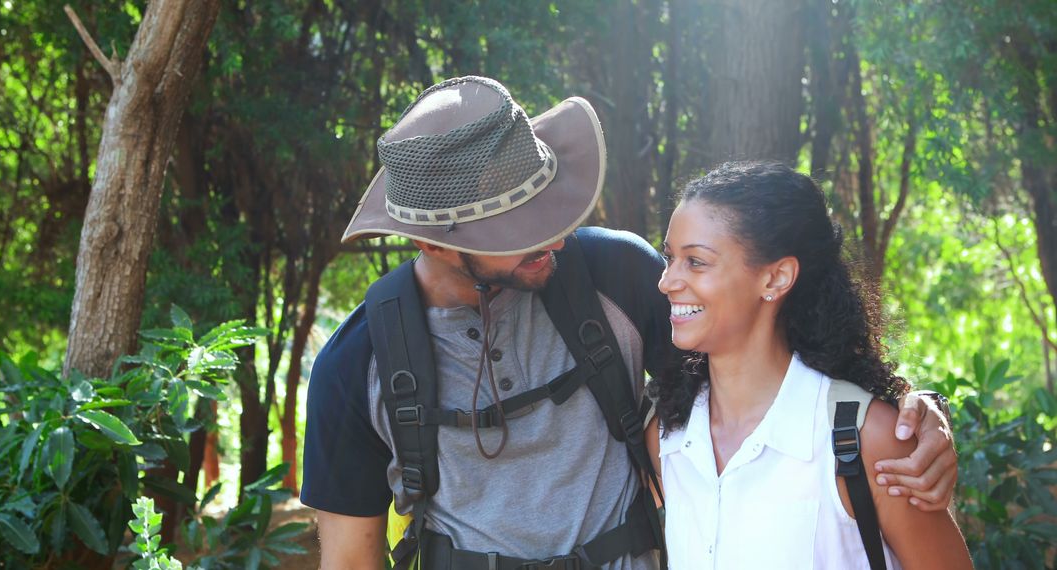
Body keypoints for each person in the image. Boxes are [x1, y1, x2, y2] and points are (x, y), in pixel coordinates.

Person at [300, 76, 958, 570]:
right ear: (435, 244)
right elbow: (352, 558)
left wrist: (904, 413)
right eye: (519, 231)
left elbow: (757, 360)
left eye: (550, 210)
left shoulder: (611, 274)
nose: (552, 238)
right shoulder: (358, 364)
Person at [646, 162, 972, 568]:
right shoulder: (668, 438)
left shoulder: (867, 440)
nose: (667, 281)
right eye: (669, 258)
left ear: (776, 278)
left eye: (695, 262)